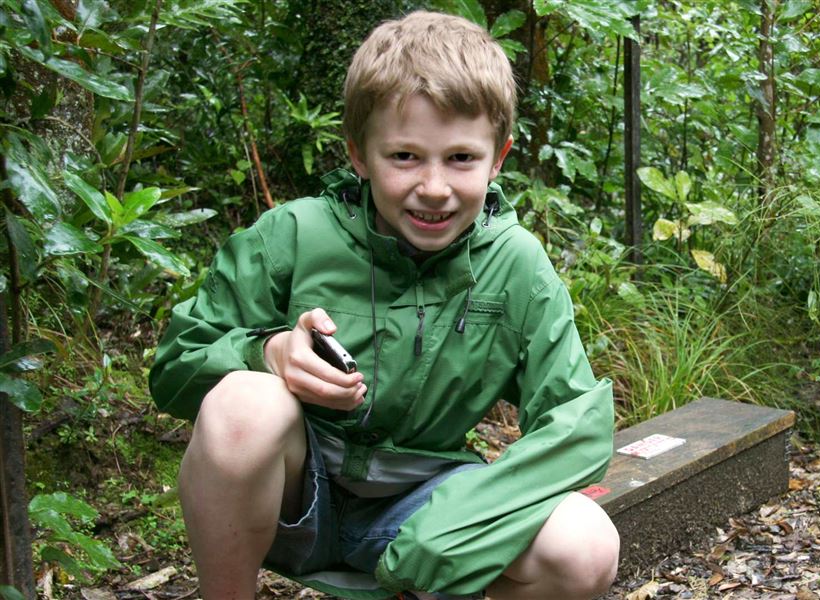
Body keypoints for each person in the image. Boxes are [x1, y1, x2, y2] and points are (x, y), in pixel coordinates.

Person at [149, 10, 619, 600]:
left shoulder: (517, 265)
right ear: (359, 154)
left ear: (497, 158)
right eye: (404, 157)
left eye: (460, 158)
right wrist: (266, 352)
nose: (434, 187)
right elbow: (174, 366)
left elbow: (577, 425)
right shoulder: (292, 236)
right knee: (248, 399)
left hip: (426, 508)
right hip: (295, 495)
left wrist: (457, 527)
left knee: (586, 546)